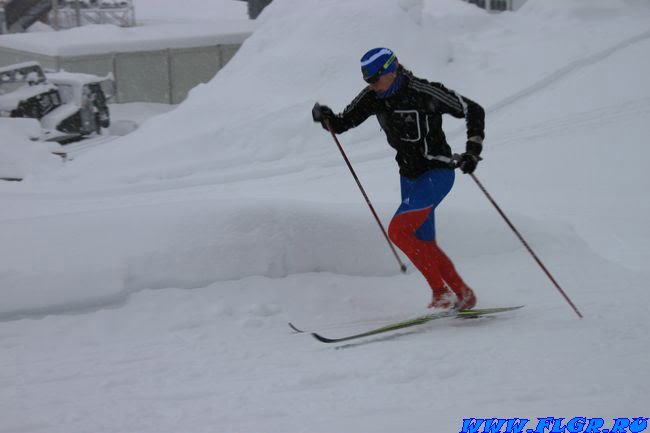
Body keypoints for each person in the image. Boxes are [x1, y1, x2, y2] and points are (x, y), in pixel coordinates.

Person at [312, 47, 485, 310]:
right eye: (366, 80)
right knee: (424, 242)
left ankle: (442, 294)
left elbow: (473, 110)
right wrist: (327, 118)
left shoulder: (423, 92)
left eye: (374, 79)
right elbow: (342, 123)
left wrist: (473, 150)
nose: (371, 85)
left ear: (391, 71)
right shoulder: (373, 96)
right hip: (409, 177)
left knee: (399, 231)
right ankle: (461, 294)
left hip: (437, 173)